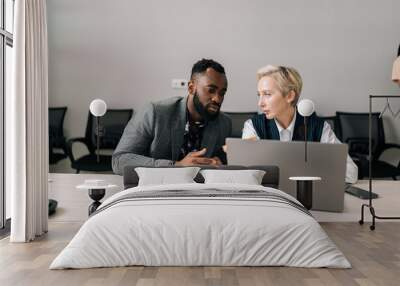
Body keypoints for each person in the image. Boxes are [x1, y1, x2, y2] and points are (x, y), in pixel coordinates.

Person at [112, 58, 231, 175]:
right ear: (191, 88)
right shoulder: (155, 113)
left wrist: (220, 164)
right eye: (211, 90)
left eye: (222, 93)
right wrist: (176, 166)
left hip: (199, 192)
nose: (218, 99)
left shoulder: (224, 123)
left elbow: (221, 164)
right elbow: (120, 160)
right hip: (156, 189)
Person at [242, 65, 358, 183]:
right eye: (259, 95)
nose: (260, 103)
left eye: (267, 94)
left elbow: (351, 174)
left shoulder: (319, 127)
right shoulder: (253, 126)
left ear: (290, 96)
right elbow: (246, 175)